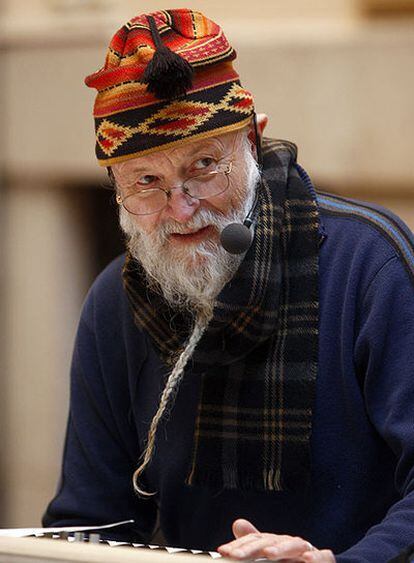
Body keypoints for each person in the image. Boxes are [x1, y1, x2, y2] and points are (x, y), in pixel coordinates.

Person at [43, 9, 414, 562]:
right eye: (146, 181)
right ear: (115, 189)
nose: (182, 208)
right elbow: (91, 522)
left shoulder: (371, 265)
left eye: (204, 166)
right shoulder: (114, 301)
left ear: (254, 144)